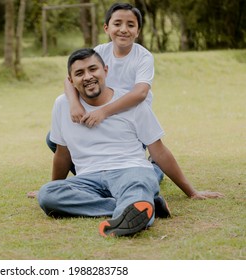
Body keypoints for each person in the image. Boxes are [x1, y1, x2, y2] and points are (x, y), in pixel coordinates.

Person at [37, 48, 223, 237]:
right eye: (79, 73)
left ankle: (136, 207)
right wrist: (57, 187)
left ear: (106, 70)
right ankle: (145, 206)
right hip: (89, 178)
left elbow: (158, 152)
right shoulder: (62, 105)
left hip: (130, 170)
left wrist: (191, 192)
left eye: (93, 69)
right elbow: (62, 153)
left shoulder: (131, 104)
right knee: (47, 195)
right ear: (70, 81)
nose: (88, 76)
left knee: (137, 186)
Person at [47, 3, 164, 184]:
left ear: (138, 31)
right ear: (107, 28)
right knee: (53, 139)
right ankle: (92, 177)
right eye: (117, 24)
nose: (123, 30)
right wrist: (74, 104)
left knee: (127, 163)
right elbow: (69, 78)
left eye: (130, 25)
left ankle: (153, 170)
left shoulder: (143, 57)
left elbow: (140, 93)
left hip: (128, 120)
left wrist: (104, 111)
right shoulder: (101, 51)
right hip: (99, 112)